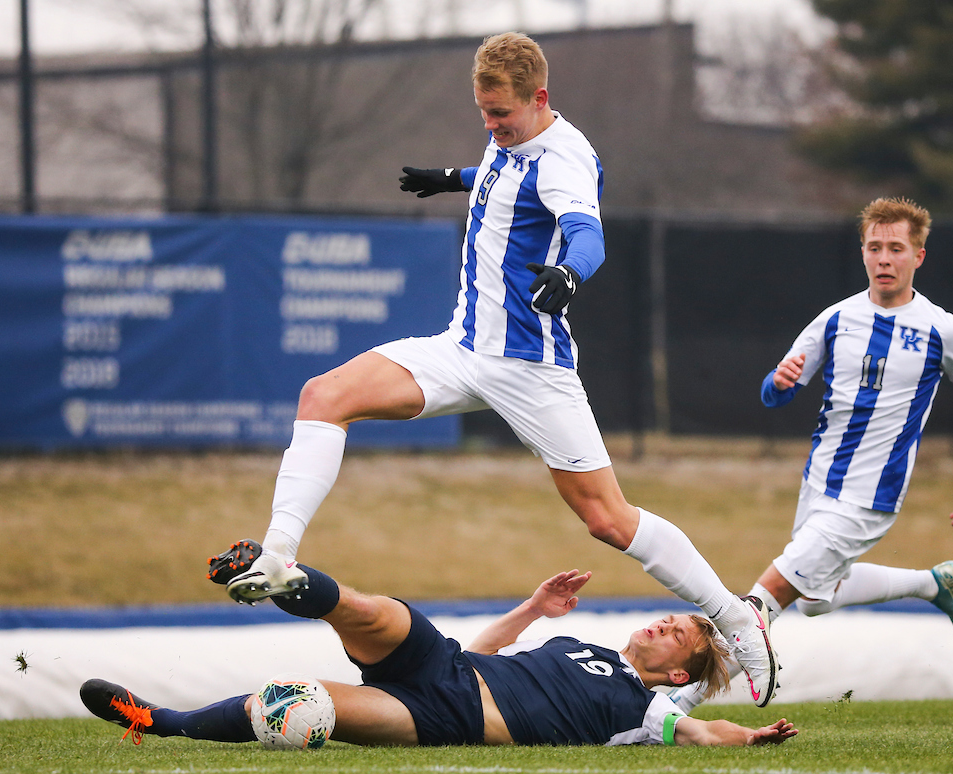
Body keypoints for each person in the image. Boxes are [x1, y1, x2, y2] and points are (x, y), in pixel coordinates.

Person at [208, 31, 778, 707]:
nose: (492, 126)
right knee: (324, 394)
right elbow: (507, 178)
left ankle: (736, 618)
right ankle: (279, 555)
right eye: (483, 114)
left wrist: (569, 271)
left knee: (607, 518)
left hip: (530, 364)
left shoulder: (564, 156)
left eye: (501, 115)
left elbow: (587, 230)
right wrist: (453, 178)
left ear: (540, 98)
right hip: (462, 348)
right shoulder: (511, 140)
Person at [667, 197, 953, 711]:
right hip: (820, 481)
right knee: (817, 600)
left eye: (896, 248)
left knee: (758, 604)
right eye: (874, 248)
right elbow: (773, 393)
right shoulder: (836, 319)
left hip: (870, 496)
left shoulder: (942, 329)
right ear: (862, 253)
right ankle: (933, 584)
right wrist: (778, 382)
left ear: (918, 257)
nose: (884, 258)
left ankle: (679, 704)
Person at [85, 550, 799, 748]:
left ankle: (160, 722)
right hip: (449, 665)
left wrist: (755, 735)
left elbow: (708, 731)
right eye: (667, 618)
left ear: (677, 670)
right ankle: (281, 576)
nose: (659, 625)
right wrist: (535, 608)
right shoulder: (582, 642)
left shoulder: (648, 714)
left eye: (674, 633)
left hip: (442, 720)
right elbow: (489, 649)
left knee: (291, 705)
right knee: (375, 610)